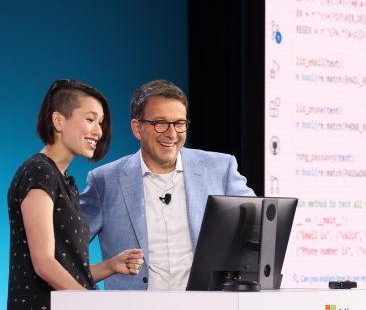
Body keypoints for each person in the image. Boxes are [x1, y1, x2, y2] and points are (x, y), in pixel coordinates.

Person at [5, 79, 144, 310]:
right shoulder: (38, 172)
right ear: (58, 121)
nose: (98, 130)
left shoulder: (64, 180)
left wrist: (109, 266)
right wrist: (88, 304)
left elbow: (66, 265)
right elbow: (43, 262)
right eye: (90, 119)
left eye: (100, 123)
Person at [80, 79, 255, 290]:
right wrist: (101, 274)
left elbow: (257, 227)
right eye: (160, 123)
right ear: (138, 128)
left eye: (179, 123)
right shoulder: (104, 181)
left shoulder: (220, 169)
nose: (172, 134)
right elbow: (64, 251)